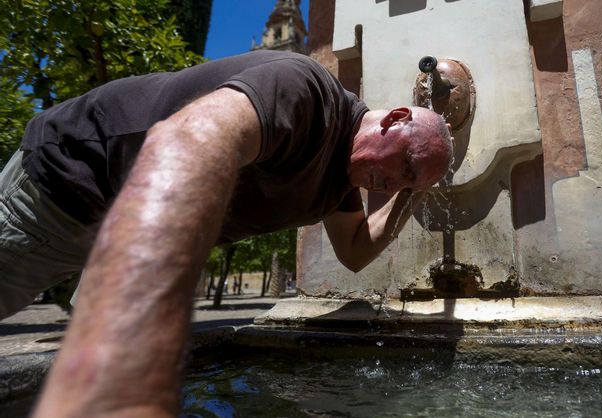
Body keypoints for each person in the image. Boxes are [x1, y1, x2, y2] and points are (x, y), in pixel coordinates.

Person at [0, 50, 453, 417]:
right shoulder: (305, 90)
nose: (390, 186)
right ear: (394, 119)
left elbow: (354, 250)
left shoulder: (339, 181)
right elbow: (188, 141)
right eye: (403, 168)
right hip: (66, 186)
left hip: (120, 226)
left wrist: (412, 193)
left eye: (405, 184)